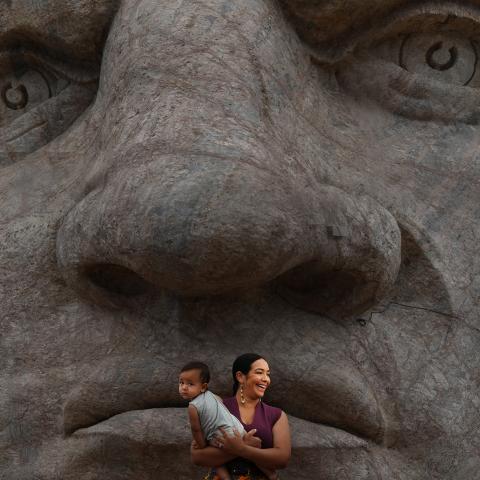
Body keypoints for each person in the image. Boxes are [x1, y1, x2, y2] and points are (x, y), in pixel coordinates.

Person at [191, 354, 291, 480]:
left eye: (268, 374)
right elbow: (197, 457)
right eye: (259, 372)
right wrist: (244, 445)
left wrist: (242, 449)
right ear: (240, 377)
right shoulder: (217, 408)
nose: (266, 379)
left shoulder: (277, 415)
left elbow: (282, 459)